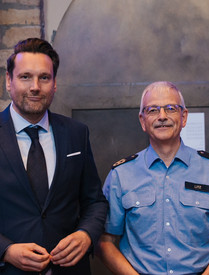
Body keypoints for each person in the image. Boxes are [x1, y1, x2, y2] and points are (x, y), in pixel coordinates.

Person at [98, 81, 209, 275]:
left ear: (183, 117)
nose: (162, 117)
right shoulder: (120, 175)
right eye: (153, 110)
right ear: (142, 120)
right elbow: (105, 242)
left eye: (171, 109)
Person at [0, 38, 108, 274]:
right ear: (9, 81)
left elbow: (95, 202)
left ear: (54, 83)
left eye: (44, 77)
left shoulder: (76, 133)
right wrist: (5, 250)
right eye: (25, 77)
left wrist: (85, 234)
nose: (35, 86)